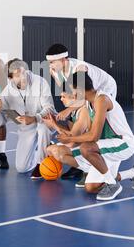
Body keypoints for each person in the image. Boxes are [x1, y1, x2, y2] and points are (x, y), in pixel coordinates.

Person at [46, 72, 134, 201]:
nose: (72, 93)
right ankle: (133, 172)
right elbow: (87, 135)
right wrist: (57, 126)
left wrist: (70, 139)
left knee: (86, 148)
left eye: (73, 89)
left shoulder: (101, 99)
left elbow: (94, 136)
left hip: (123, 144)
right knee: (90, 187)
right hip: (105, 147)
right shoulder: (89, 103)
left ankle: (112, 184)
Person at [45, 43, 117, 180]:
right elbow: (70, 91)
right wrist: (71, 107)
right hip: (84, 94)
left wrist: (68, 110)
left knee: (93, 124)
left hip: (105, 88)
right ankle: (79, 165)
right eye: (48, 62)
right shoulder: (54, 71)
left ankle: (96, 167)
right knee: (77, 119)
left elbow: (85, 96)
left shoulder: (80, 69)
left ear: (63, 60)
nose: (50, 65)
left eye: (52, 62)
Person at [0, 59, 55, 178]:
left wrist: (34, 118)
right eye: (17, 75)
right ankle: (47, 147)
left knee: (43, 127)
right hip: (26, 129)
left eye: (23, 72)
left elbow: (49, 109)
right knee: (22, 168)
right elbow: (1, 122)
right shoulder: (7, 92)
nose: (22, 76)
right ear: (11, 79)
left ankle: (40, 163)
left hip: (45, 121)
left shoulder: (40, 82)